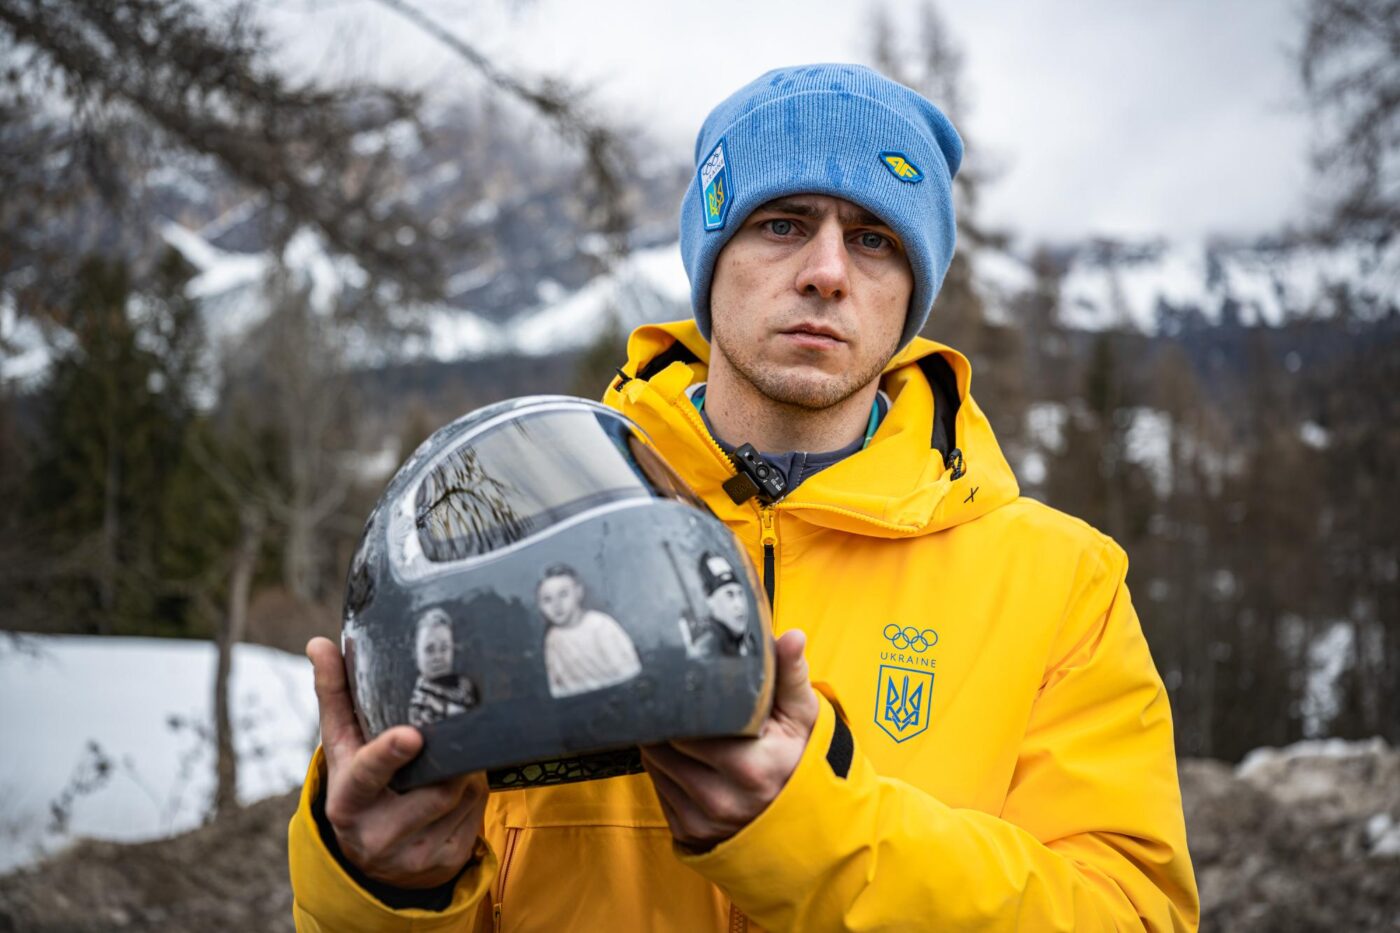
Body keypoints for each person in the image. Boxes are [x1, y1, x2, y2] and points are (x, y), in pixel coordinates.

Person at [289, 63, 1200, 931]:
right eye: (782, 224)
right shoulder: (514, 518)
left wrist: (820, 838)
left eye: (875, 239)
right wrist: (381, 886)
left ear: (911, 290)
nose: (827, 271)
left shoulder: (1058, 584)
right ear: (711, 257)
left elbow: (1131, 911)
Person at [535, 563, 643, 698]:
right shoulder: (553, 638)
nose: (557, 605)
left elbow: (629, 672)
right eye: (547, 600)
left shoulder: (600, 625)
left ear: (578, 592)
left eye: (563, 594)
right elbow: (557, 687)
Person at [406, 610, 478, 728]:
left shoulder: (465, 685)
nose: (438, 657)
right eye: (429, 650)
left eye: (444, 648)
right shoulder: (420, 705)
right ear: (415, 654)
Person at [683, 552, 759, 658]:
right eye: (729, 595)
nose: (739, 605)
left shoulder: (748, 642)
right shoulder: (708, 649)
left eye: (740, 593)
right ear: (710, 601)